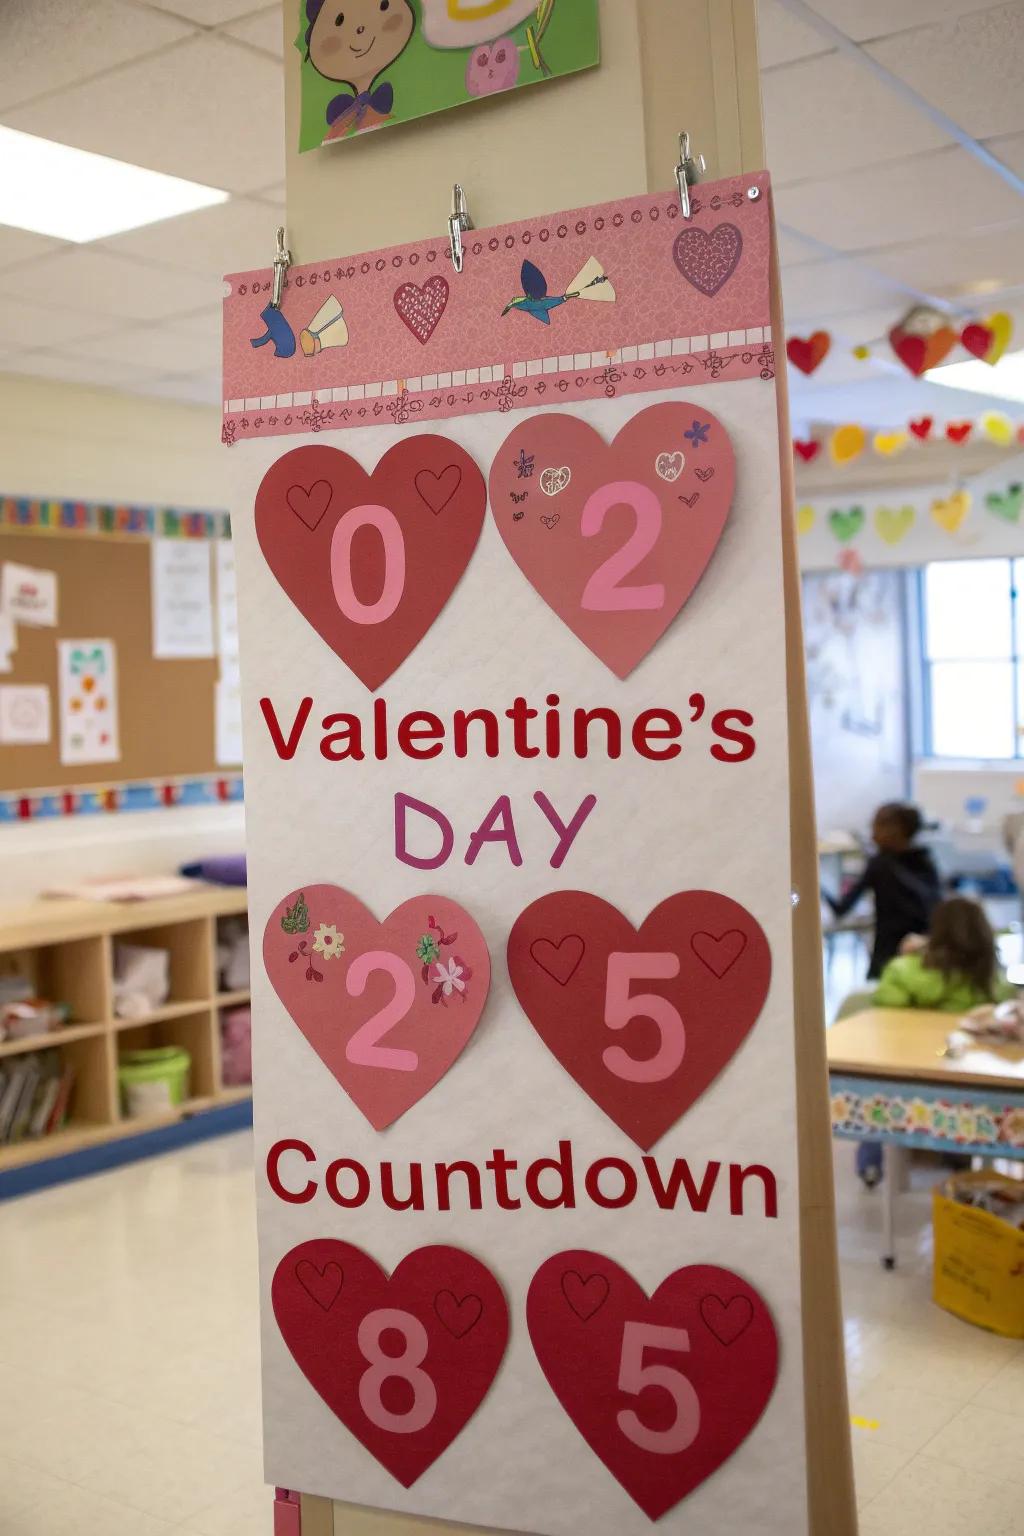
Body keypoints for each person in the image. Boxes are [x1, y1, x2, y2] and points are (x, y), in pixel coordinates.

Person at [858, 896, 1014, 1186]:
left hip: (903, 1073)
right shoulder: (992, 981)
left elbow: (884, 1014)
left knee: (873, 1103)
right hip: (966, 1077)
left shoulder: (905, 970)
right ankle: (959, 1156)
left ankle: (870, 1164)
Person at [825, 802, 941, 980]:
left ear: (895, 829)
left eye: (877, 825)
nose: (872, 833)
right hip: (925, 959)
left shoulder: (881, 864)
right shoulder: (926, 861)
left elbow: (841, 909)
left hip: (888, 960)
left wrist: (816, 886)